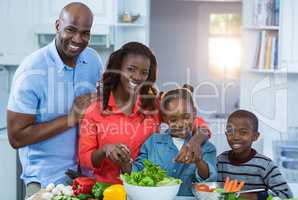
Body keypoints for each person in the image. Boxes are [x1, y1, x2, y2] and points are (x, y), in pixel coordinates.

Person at [6, 2, 103, 198]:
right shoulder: (32, 70)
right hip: (46, 182)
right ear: (58, 25)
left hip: (86, 178)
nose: (78, 39)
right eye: (71, 30)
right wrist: (72, 117)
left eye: (85, 33)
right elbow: (16, 137)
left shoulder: (93, 60)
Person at [79, 42, 209, 185]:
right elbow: (85, 159)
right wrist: (105, 150)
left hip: (148, 189)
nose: (138, 76)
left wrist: (195, 142)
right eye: (131, 69)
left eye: (144, 72)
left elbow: (198, 124)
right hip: (109, 190)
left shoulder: (153, 105)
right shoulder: (95, 110)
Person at [120, 88, 217, 196]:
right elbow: (136, 173)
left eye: (185, 117)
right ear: (165, 118)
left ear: (194, 113)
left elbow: (209, 181)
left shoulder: (207, 148)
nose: (180, 124)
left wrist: (199, 161)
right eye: (174, 120)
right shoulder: (153, 143)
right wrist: (125, 162)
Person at [217, 109, 293, 199]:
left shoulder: (265, 165)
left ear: (255, 136)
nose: (235, 137)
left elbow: (286, 195)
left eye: (243, 132)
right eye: (230, 131)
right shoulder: (220, 161)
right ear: (226, 134)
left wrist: (254, 197)